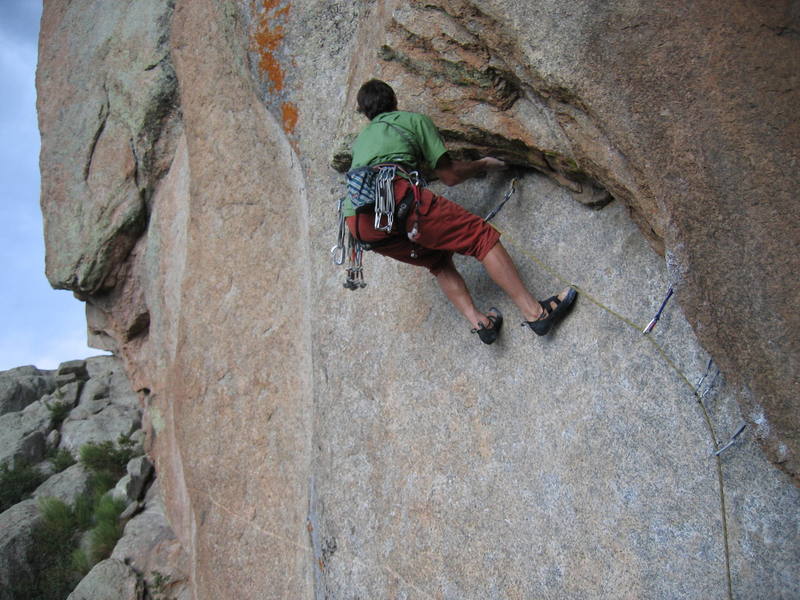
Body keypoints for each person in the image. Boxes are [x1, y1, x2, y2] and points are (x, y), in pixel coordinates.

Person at [345, 79, 576, 344]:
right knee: (481, 239)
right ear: (394, 100)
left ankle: (481, 323)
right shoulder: (412, 121)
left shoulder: (360, 141)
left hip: (360, 226)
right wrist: (483, 164)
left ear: (366, 113)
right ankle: (536, 313)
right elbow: (450, 176)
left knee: (437, 260)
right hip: (398, 200)